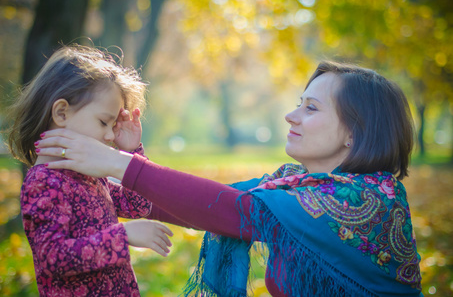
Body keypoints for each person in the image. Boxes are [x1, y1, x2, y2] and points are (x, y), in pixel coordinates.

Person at [34, 61, 423, 296]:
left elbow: (232, 211)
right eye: (297, 103)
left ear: (355, 133)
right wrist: (113, 163)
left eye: (311, 108)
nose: (292, 115)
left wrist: (116, 163)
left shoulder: (364, 201)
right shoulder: (294, 185)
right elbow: (203, 207)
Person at [6, 45, 175, 296]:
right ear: (62, 112)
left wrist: (132, 151)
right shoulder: (44, 181)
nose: (109, 135)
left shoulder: (88, 174)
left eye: (113, 125)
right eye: (103, 122)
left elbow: (138, 204)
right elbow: (54, 258)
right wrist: (123, 235)